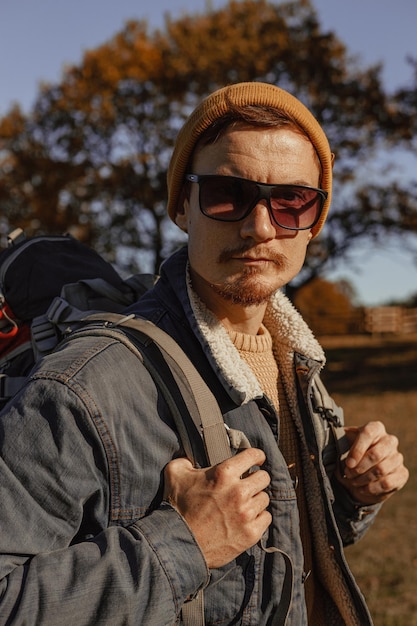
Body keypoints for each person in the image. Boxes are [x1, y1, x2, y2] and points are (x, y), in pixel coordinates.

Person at [0, 82, 408, 625]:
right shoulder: (83, 388)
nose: (260, 226)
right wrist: (183, 542)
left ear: (315, 221)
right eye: (226, 193)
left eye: (291, 201)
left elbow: (278, 556)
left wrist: (349, 491)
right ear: (181, 207)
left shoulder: (295, 363)